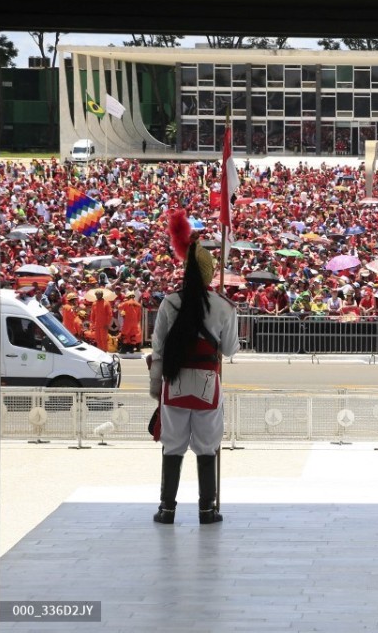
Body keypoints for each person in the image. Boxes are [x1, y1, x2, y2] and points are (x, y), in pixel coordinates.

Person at [149, 210, 239, 525]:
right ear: (209, 273)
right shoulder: (224, 306)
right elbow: (229, 349)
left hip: (173, 382)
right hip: (207, 384)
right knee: (207, 447)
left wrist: (155, 386)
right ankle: (206, 510)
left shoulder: (169, 302)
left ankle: (167, 510)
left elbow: (158, 348)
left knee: (172, 447)